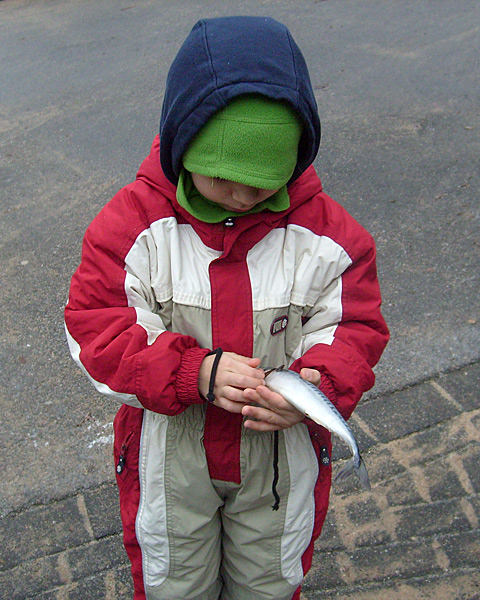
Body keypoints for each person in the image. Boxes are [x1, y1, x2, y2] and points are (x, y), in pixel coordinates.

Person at [65, 16, 389, 600]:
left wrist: (318, 385)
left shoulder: (331, 238)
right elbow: (97, 328)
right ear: (183, 142)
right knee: (173, 583)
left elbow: (356, 324)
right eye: (223, 178)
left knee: (271, 580)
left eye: (266, 182)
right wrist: (194, 372)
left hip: (280, 458)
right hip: (170, 458)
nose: (243, 196)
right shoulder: (133, 228)